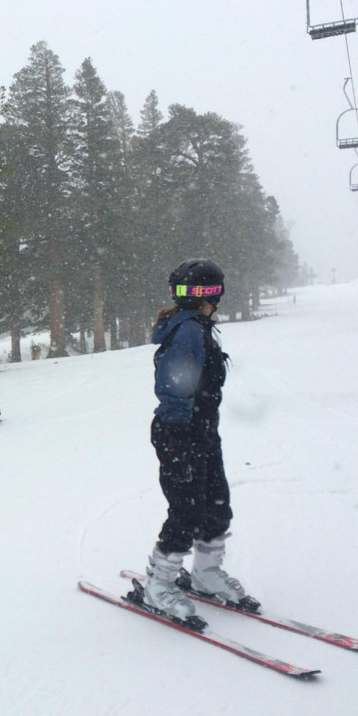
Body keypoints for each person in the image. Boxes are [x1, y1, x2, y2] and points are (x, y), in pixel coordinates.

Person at [141, 260, 258, 621]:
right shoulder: (189, 330)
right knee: (187, 510)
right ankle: (159, 583)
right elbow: (175, 385)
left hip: (201, 431)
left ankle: (205, 573)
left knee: (216, 504)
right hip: (180, 432)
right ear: (214, 294)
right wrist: (178, 438)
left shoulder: (197, 327)